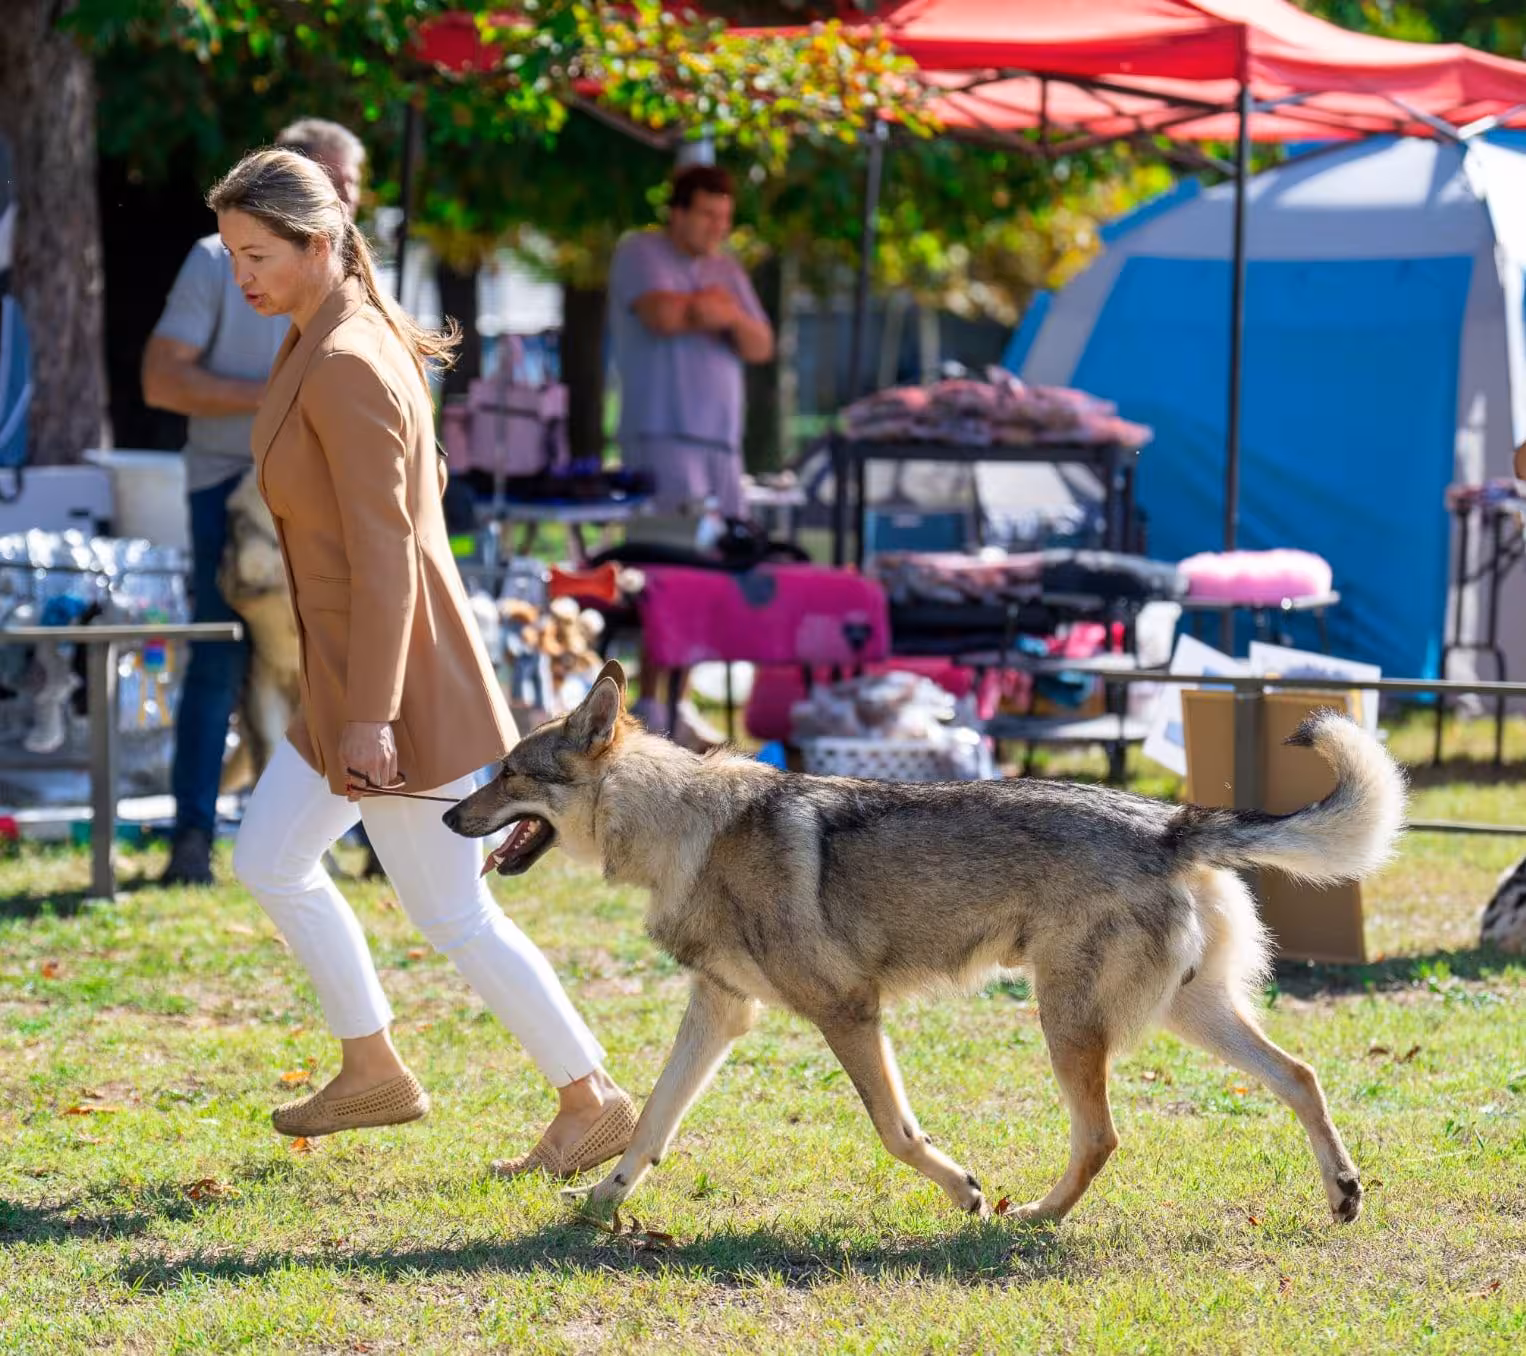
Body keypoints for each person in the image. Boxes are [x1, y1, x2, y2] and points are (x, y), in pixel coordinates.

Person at [210, 148, 635, 1174]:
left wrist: (369, 714)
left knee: (451, 912)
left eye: (258, 254)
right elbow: (418, 483)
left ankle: (590, 1099)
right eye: (232, 255)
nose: (242, 276)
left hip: (391, 688)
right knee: (269, 860)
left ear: (320, 243)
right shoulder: (329, 333)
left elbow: (389, 550)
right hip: (349, 678)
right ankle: (372, 1067)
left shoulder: (349, 355)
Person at [144, 119, 366, 887]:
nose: (342, 199)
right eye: (327, 182)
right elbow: (161, 380)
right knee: (216, 662)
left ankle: (369, 843)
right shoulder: (217, 261)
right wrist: (283, 396)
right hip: (229, 494)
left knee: (338, 666)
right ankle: (191, 840)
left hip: (323, 503)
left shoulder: (359, 280)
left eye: (350, 186)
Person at [607, 164, 775, 744]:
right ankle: (651, 705)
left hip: (720, 443)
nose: (716, 227)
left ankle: (675, 701)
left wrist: (723, 311)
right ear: (676, 211)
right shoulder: (639, 251)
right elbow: (664, 315)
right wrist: (712, 310)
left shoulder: (728, 270)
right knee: (667, 573)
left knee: (710, 572)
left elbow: (760, 342)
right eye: (707, 214)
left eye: (725, 217)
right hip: (663, 435)